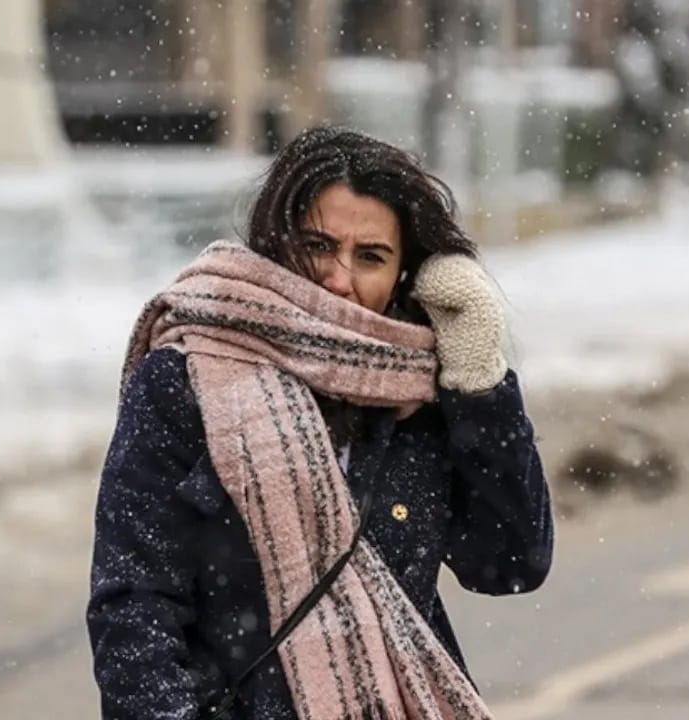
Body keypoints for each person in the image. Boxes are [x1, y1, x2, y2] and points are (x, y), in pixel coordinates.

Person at [87, 126, 554, 719]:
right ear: (275, 244)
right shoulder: (187, 378)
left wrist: (478, 378)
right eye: (317, 245)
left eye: (371, 257)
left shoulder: (418, 396)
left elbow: (512, 562)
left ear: (404, 275)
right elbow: (134, 607)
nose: (339, 278)